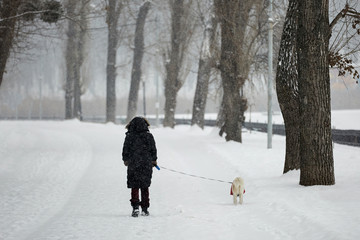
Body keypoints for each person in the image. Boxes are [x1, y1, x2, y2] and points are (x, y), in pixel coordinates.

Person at [122, 117, 157, 217]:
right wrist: (153, 160)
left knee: (135, 186)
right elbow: (153, 149)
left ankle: (135, 207)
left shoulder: (129, 136)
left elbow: (125, 150)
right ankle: (145, 209)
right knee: (145, 186)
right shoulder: (149, 136)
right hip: (146, 164)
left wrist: (126, 160)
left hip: (133, 164)